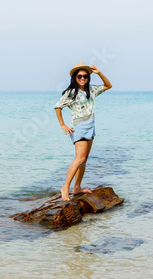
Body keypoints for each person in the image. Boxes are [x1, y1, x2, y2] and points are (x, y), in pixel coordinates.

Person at [53, 62, 112, 201]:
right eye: (79, 76)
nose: (82, 78)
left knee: (84, 159)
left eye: (85, 76)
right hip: (79, 127)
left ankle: (77, 187)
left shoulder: (91, 90)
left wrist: (99, 73)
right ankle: (65, 187)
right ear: (75, 77)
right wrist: (62, 124)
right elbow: (57, 107)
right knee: (79, 158)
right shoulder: (71, 92)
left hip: (91, 125)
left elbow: (109, 86)